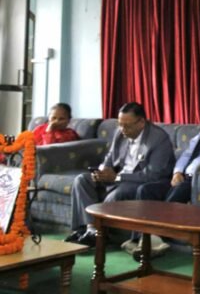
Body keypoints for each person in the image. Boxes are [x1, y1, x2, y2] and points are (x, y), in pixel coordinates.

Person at [65, 102, 175, 247]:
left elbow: (153, 175)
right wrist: (102, 171)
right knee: (81, 180)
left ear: (141, 122)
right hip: (118, 177)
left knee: (117, 195)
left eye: (127, 126)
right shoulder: (120, 133)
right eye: (120, 124)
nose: (122, 129)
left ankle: (100, 233)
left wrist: (117, 177)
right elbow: (110, 157)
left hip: (138, 181)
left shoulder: (158, 139)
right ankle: (89, 230)